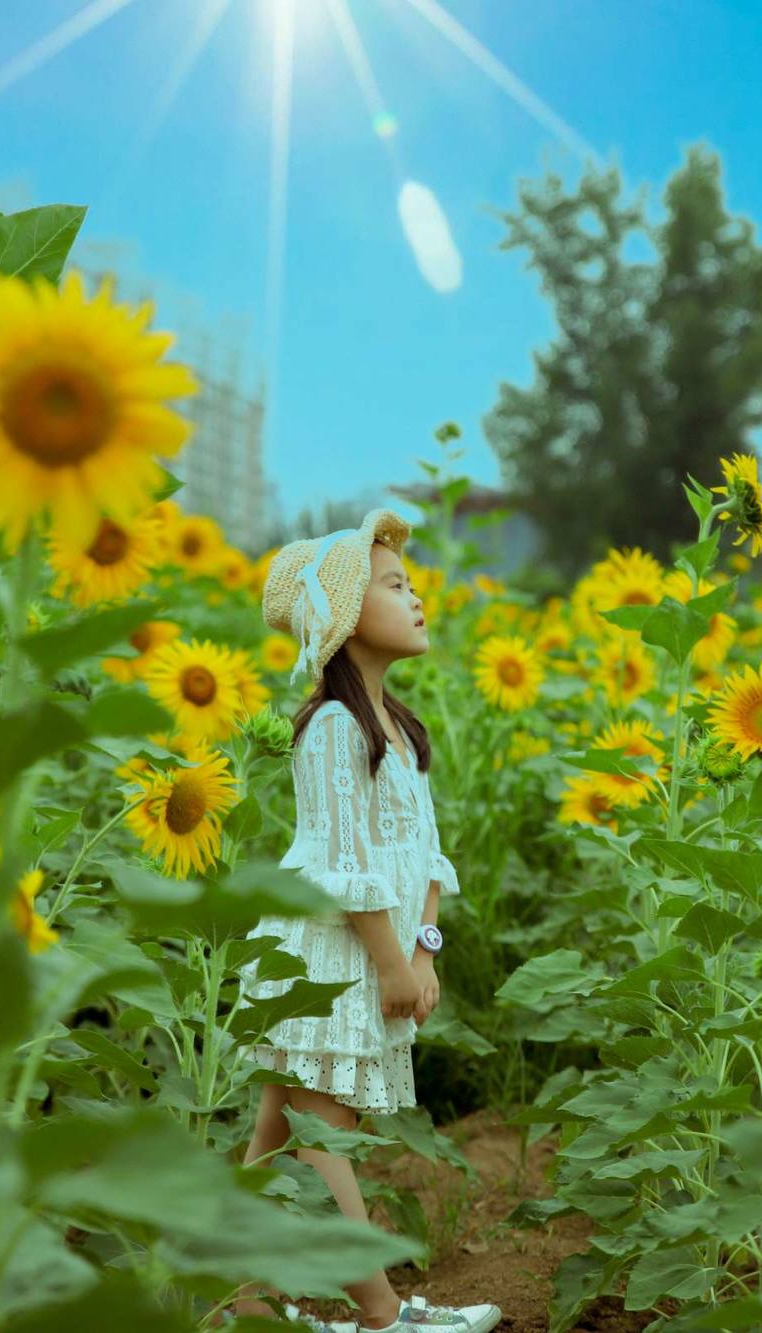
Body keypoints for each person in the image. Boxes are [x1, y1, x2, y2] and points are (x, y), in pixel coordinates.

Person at [225, 509, 501, 1333]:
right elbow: (345, 870)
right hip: (326, 958)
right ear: (343, 616)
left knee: (279, 1138)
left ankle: (244, 1307)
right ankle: (383, 1316)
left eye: (410, 583)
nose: (416, 598)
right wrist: (391, 964)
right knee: (322, 1137)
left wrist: (424, 946)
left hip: (373, 953)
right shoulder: (333, 729)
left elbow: (427, 858)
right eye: (394, 585)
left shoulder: (400, 731)